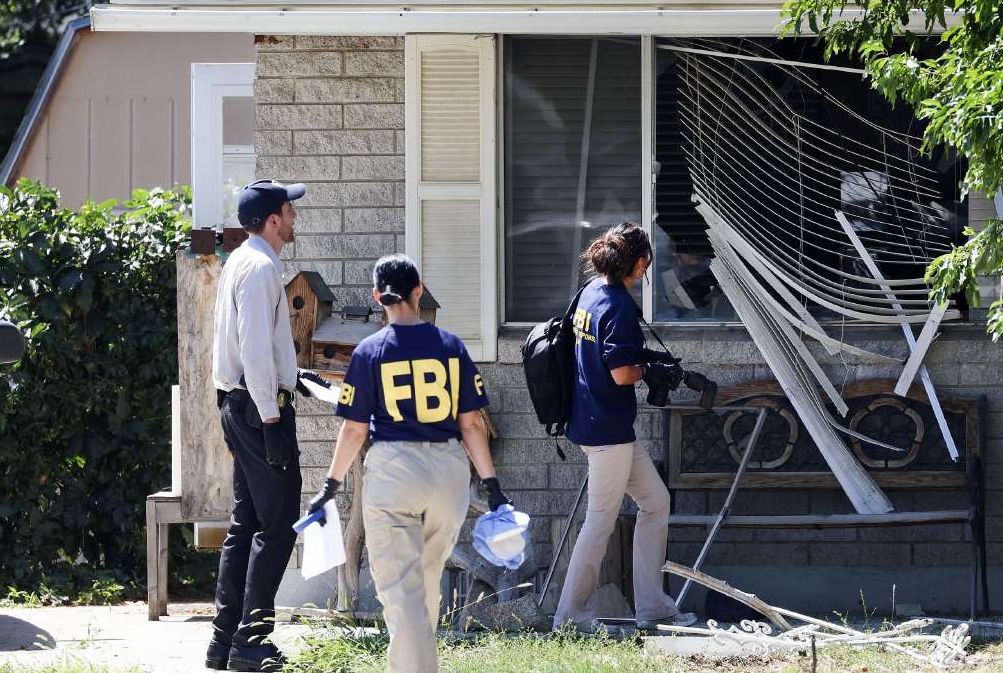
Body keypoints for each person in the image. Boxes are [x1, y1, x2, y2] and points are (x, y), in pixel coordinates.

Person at [303, 254, 510, 673]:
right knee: (425, 588)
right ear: (419, 290)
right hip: (449, 472)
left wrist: (330, 484)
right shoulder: (452, 346)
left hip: (395, 471)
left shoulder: (369, 351)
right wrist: (492, 486)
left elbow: (355, 430)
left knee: (401, 596)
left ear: (377, 296)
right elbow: (471, 425)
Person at [207, 179, 328, 672]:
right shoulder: (259, 268)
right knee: (277, 526)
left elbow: (253, 348)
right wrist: (273, 416)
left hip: (241, 403)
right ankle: (250, 644)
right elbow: (254, 349)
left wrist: (293, 376)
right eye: (290, 211)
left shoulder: (242, 260)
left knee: (248, 523)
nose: (295, 218)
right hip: (259, 412)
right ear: (273, 219)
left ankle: (224, 641)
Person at [553, 222, 697, 632]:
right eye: (647, 263)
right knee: (599, 521)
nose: (647, 270)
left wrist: (647, 360)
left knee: (655, 503)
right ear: (638, 262)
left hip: (601, 424)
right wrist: (650, 369)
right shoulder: (615, 303)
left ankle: (653, 607)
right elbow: (620, 372)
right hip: (607, 432)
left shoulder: (591, 293)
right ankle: (570, 617)